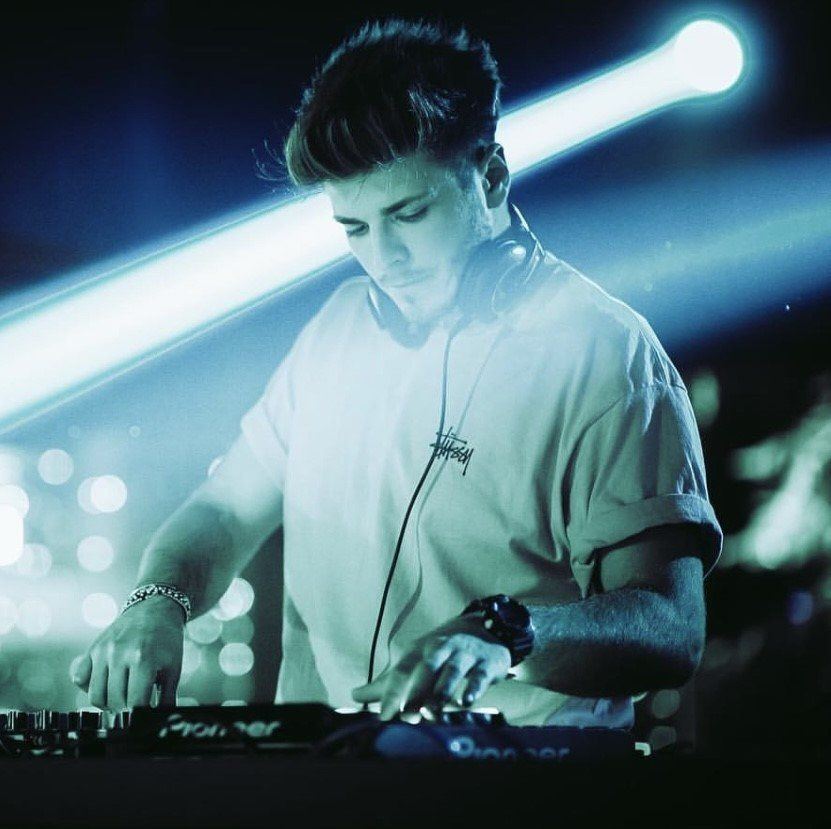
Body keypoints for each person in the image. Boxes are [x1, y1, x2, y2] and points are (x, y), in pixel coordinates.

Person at [73, 18, 723, 728]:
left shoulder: (605, 355)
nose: (383, 259)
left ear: (490, 177)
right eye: (354, 228)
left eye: (409, 214)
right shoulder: (337, 332)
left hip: (519, 776)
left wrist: (505, 635)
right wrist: (158, 603)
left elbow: (669, 625)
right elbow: (224, 511)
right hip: (327, 767)